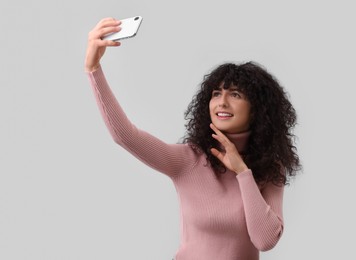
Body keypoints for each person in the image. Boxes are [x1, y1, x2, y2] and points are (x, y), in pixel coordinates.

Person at [85, 17, 300, 260]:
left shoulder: (270, 169)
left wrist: (242, 172)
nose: (222, 101)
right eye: (216, 93)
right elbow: (125, 136)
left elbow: (265, 239)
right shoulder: (188, 159)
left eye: (235, 94)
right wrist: (94, 70)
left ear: (257, 109)